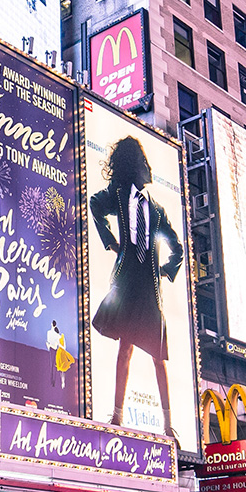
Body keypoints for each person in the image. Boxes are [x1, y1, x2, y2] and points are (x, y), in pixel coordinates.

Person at [88, 135, 185, 436]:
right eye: (141, 161)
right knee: (125, 349)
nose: (147, 167)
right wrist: (111, 243)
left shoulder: (155, 209)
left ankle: (168, 425)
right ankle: (117, 417)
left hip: (149, 287)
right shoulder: (117, 195)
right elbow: (94, 204)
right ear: (133, 165)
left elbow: (177, 248)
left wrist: (167, 271)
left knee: (158, 356)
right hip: (127, 283)